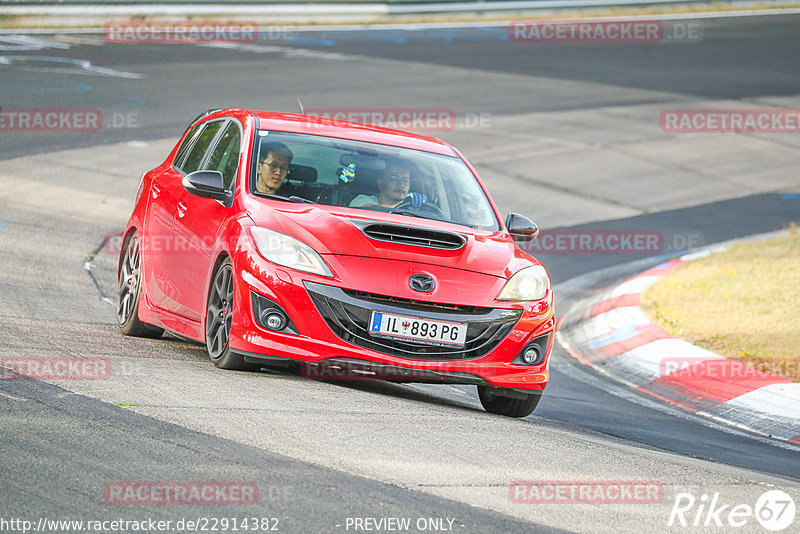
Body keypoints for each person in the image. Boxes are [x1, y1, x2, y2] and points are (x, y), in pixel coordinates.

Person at [350, 159, 424, 209]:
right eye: (394, 179)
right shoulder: (362, 200)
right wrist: (405, 205)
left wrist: (423, 206)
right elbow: (369, 209)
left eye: (405, 180)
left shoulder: (414, 208)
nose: (401, 184)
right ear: (381, 183)